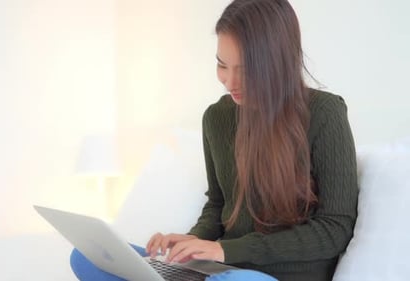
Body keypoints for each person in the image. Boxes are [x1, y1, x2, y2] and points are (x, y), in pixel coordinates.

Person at [71, 0, 358, 280]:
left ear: (278, 62)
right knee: (88, 256)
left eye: (245, 70)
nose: (229, 82)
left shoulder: (325, 113)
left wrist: (224, 250)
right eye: (222, 65)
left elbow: (335, 228)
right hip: (218, 269)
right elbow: (218, 205)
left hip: (270, 275)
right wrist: (191, 242)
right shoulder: (216, 117)